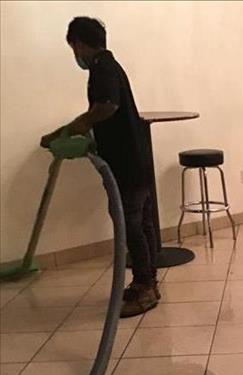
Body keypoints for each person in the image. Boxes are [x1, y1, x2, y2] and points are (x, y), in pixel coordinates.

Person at [41, 16, 159, 317]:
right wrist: (67, 131)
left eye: (73, 47)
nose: (74, 54)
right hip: (136, 160)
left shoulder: (102, 69)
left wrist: (79, 124)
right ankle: (147, 282)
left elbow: (107, 106)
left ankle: (145, 288)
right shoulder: (110, 65)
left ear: (78, 43)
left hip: (127, 165)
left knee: (131, 226)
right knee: (140, 225)